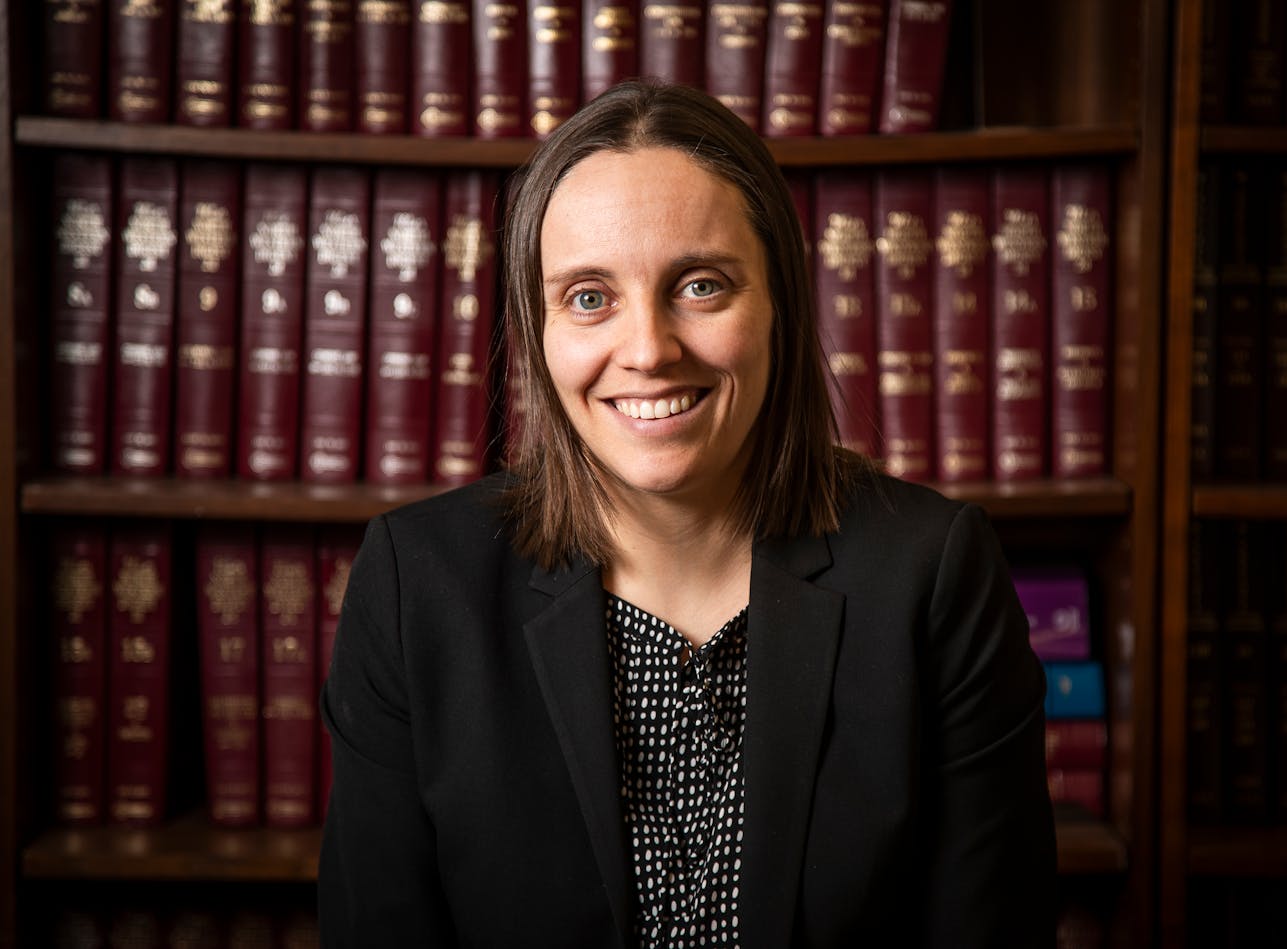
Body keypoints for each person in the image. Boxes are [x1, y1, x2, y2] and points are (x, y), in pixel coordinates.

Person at [319, 79, 1056, 948]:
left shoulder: (935, 576)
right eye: (589, 297)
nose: (648, 351)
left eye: (701, 286)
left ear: (778, 301)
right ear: (538, 330)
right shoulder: (418, 588)